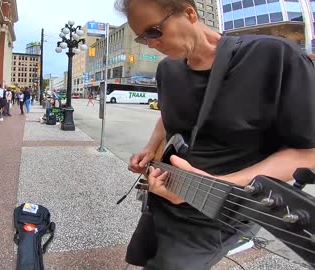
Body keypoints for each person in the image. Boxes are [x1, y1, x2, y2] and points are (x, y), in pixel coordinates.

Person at [115, 0, 315, 269]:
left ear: (189, 13)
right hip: (165, 197)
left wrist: (221, 183)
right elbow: (169, 115)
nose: (151, 44)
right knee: (141, 256)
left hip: (220, 210)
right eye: (142, 37)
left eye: (154, 31)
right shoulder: (168, 70)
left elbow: (308, 152)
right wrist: (151, 148)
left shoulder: (275, 57)